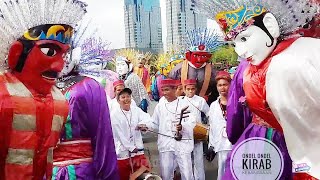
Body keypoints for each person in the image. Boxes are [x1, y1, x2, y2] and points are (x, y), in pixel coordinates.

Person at [195, 0, 320, 178]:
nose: (240, 51)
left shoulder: (246, 69)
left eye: (244, 38)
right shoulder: (307, 51)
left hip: (265, 140)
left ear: (271, 25)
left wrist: (236, 136)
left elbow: (236, 116)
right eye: (235, 43)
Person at [0, 0, 86, 179]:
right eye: (50, 51)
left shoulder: (59, 102)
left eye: (64, 54)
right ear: (17, 53)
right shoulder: (3, 96)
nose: (60, 64)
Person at [52, 38, 119, 179]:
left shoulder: (89, 87)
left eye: (65, 52)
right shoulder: (37, 89)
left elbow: (103, 138)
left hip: (81, 172)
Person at [148, 79, 196, 180]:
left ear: (174, 89)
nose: (164, 93)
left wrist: (182, 127)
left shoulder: (184, 104)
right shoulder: (160, 106)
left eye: (167, 90)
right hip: (166, 144)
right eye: (163, 90)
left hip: (182, 143)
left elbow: (192, 122)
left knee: (187, 174)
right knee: (166, 173)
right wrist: (145, 127)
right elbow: (154, 123)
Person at [169, 28, 222, 105]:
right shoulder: (178, 69)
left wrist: (209, 98)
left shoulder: (212, 71)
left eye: (203, 56)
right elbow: (170, 86)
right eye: (196, 55)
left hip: (204, 103)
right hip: (182, 103)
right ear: (189, 55)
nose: (199, 59)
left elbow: (217, 88)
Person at [110, 88, 151, 180]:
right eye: (123, 97)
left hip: (137, 149)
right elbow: (119, 135)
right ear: (118, 100)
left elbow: (148, 118)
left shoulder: (135, 110)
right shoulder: (114, 115)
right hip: (123, 151)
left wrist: (143, 125)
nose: (126, 99)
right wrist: (130, 147)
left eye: (128, 96)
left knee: (143, 173)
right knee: (124, 176)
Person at [207, 71, 233, 180]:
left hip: (236, 142)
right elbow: (212, 126)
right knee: (222, 169)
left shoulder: (237, 103)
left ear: (230, 85)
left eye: (225, 84)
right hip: (221, 143)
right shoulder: (213, 106)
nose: (222, 88)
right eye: (220, 85)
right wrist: (211, 145)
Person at [182, 79, 209, 180]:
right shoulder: (181, 101)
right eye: (188, 89)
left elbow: (209, 113)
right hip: (185, 133)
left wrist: (207, 127)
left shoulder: (200, 100)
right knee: (186, 159)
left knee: (198, 158)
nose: (190, 91)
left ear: (196, 89)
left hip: (198, 132)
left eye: (192, 89)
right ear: (184, 89)